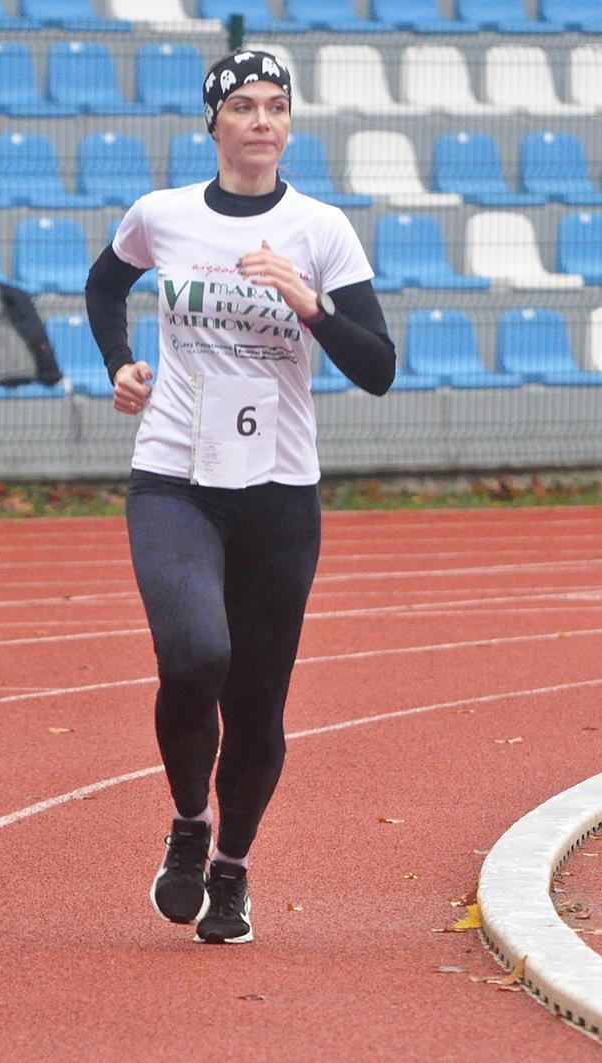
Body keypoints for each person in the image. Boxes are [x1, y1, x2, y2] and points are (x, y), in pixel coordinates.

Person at [84, 49, 396, 945]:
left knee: (257, 706)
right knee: (194, 655)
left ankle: (231, 866)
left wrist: (309, 302)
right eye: (245, 107)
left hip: (279, 493)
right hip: (175, 477)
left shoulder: (321, 230)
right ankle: (190, 822)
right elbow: (105, 285)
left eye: (276, 107)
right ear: (214, 122)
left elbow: (378, 367)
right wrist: (121, 364)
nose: (262, 121)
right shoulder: (163, 215)